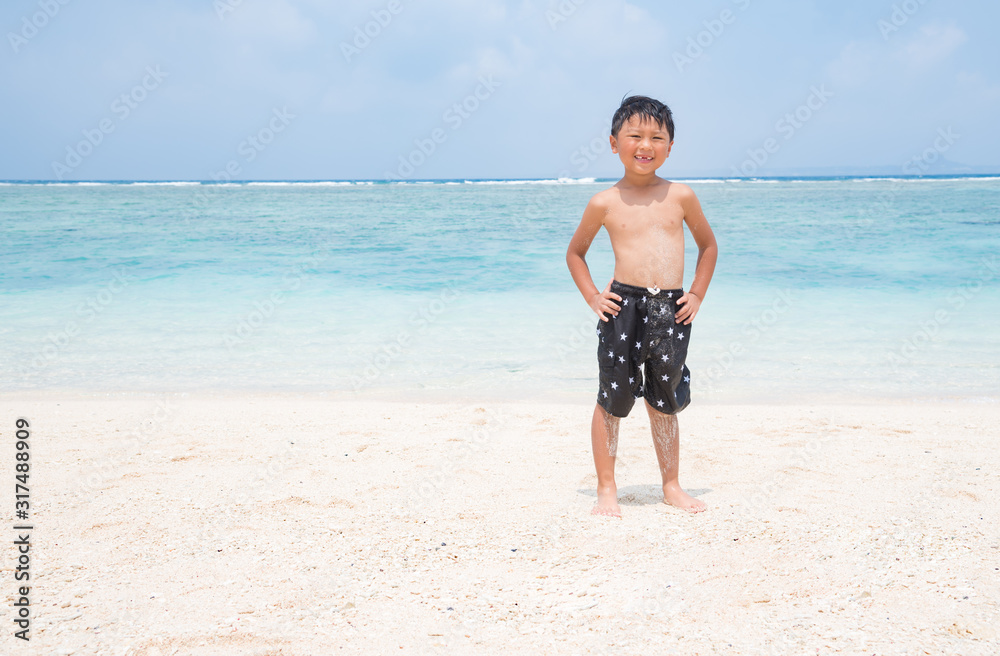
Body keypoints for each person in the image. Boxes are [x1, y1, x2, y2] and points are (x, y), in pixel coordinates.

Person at [566, 95, 718, 517]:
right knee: (612, 397)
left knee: (663, 397)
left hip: (670, 309)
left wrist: (697, 293)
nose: (645, 144)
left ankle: (671, 484)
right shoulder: (604, 202)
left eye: (657, 136)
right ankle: (607, 489)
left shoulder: (681, 196)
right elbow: (575, 254)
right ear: (614, 143)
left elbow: (708, 246)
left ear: (671, 146)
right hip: (624, 308)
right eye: (634, 135)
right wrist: (594, 296)